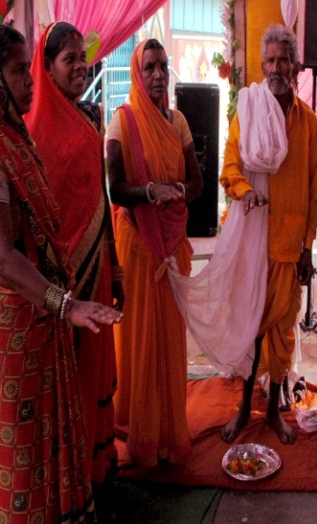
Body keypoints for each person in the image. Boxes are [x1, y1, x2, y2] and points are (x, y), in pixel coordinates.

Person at [0, 24, 121, 522]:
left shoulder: (12, 138)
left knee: (49, 442)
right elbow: (2, 258)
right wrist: (65, 304)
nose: (29, 81)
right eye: (18, 71)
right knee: (23, 456)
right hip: (11, 328)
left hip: (37, 320)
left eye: (28, 69)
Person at [25, 22, 122, 494]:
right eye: (69, 60)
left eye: (83, 58)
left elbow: (99, 195)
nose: (81, 67)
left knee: (96, 365)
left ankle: (98, 470)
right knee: (67, 377)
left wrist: (115, 264)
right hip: (57, 284)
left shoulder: (91, 116)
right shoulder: (32, 129)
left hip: (96, 265)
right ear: (46, 68)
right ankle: (71, 480)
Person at [219, 24, 317, 444]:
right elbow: (229, 167)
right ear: (263, 66)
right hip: (252, 242)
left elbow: (313, 187)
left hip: (289, 245)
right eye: (271, 61)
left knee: (281, 334)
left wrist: (308, 247)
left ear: (295, 67)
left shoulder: (307, 121)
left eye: (284, 60)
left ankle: (275, 412)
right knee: (250, 329)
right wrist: (245, 191)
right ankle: (245, 409)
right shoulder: (249, 110)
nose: (277, 68)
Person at [106, 38, 203, 466]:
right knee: (140, 339)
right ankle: (141, 433)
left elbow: (197, 182)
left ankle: (169, 430)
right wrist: (150, 192)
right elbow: (115, 189)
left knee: (170, 340)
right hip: (138, 246)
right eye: (149, 67)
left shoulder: (178, 121)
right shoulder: (122, 121)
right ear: (137, 73)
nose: (159, 74)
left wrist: (175, 190)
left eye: (163, 66)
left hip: (172, 244)